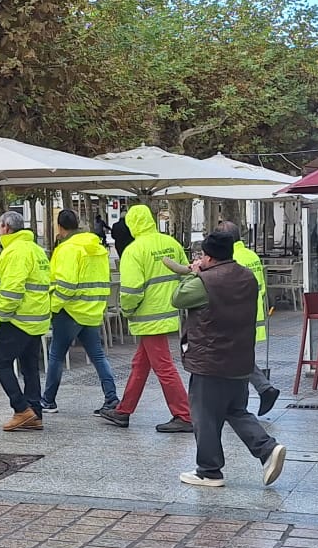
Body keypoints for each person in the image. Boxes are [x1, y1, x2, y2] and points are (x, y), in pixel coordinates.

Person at [176, 233, 285, 488]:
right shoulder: (246, 276)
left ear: (210, 256)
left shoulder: (204, 281)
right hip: (240, 359)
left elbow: (178, 298)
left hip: (210, 360)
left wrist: (194, 273)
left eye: (203, 255)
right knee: (235, 410)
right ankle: (268, 449)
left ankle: (209, 470)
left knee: (204, 416)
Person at [98, 203, 192, 432]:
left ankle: (185, 415)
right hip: (168, 312)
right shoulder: (171, 243)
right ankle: (123, 411)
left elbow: (131, 291)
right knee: (140, 365)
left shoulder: (133, 250)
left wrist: (127, 311)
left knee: (164, 367)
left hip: (147, 317)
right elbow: (185, 276)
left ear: (132, 225)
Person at [44, 208, 116, 414]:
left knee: (56, 355)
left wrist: (53, 306)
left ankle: (48, 400)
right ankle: (111, 397)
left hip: (69, 311)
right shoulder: (97, 247)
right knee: (98, 356)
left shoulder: (67, 249)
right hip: (92, 310)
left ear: (60, 227)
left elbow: (66, 285)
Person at [204, 220, 279, 416]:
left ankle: (251, 397)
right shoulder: (251, 255)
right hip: (254, 315)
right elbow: (261, 289)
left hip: (236, 316)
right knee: (241, 357)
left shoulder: (231, 258)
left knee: (237, 360)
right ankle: (250, 398)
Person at [0, 209, 52, 431]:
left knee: (0, 362)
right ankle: (35, 413)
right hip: (37, 318)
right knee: (29, 367)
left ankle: (21, 409)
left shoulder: (14, 252)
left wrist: (1, 313)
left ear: (6, 228)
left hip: (17, 319)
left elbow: (12, 289)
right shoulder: (36, 250)